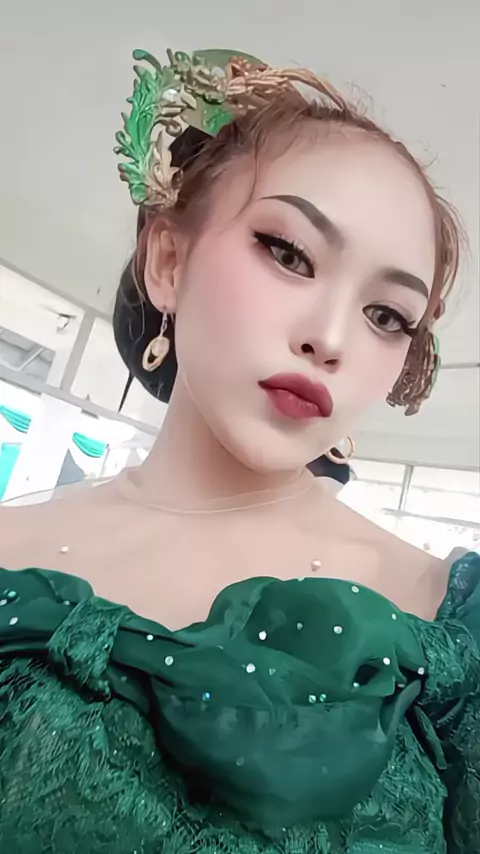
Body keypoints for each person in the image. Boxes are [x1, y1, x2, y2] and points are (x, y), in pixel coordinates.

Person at [0, 47, 477, 854]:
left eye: (387, 316)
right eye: (289, 253)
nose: (329, 338)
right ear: (168, 259)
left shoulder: (452, 629)